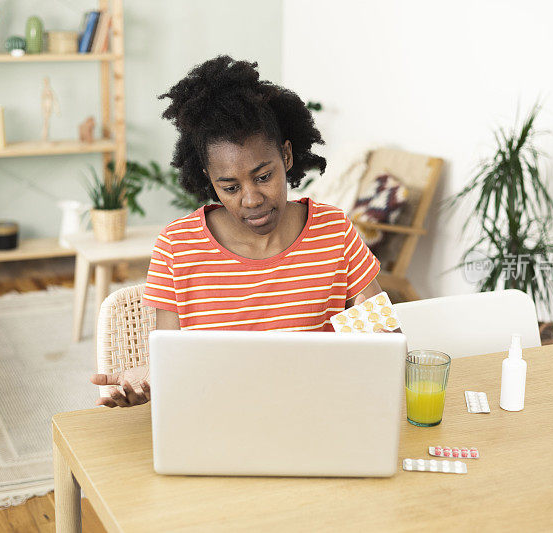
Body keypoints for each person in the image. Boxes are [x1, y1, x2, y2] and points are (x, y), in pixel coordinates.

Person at [90, 55, 383, 407]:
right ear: (209, 180)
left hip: (317, 413)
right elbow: (170, 365)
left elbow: (388, 342)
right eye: (230, 187)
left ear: (286, 157)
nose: (251, 199)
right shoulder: (177, 246)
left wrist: (368, 333)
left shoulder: (334, 232)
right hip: (217, 420)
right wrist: (155, 382)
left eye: (263, 177)